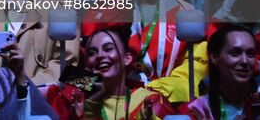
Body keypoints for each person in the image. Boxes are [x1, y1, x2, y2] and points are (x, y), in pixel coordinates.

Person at [45, 28, 175, 119]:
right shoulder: (71, 99)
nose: (100, 56)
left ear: (127, 58)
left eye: (108, 49)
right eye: (92, 53)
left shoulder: (150, 100)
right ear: (86, 64)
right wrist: (91, 104)